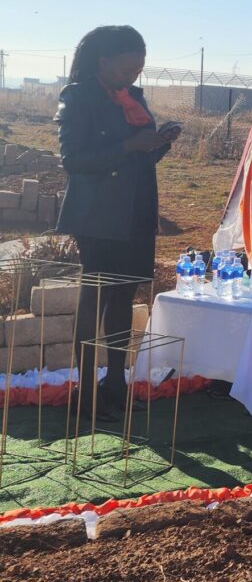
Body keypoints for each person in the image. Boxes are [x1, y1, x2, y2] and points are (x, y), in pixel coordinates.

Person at [55, 26, 182, 422]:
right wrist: (130, 145)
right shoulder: (78, 97)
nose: (134, 75)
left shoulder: (135, 98)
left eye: (139, 68)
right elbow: (73, 160)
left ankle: (116, 383)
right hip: (97, 215)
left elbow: (139, 160)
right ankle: (87, 391)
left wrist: (158, 145)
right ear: (103, 60)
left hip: (136, 213)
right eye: (128, 67)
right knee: (95, 298)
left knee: (125, 298)